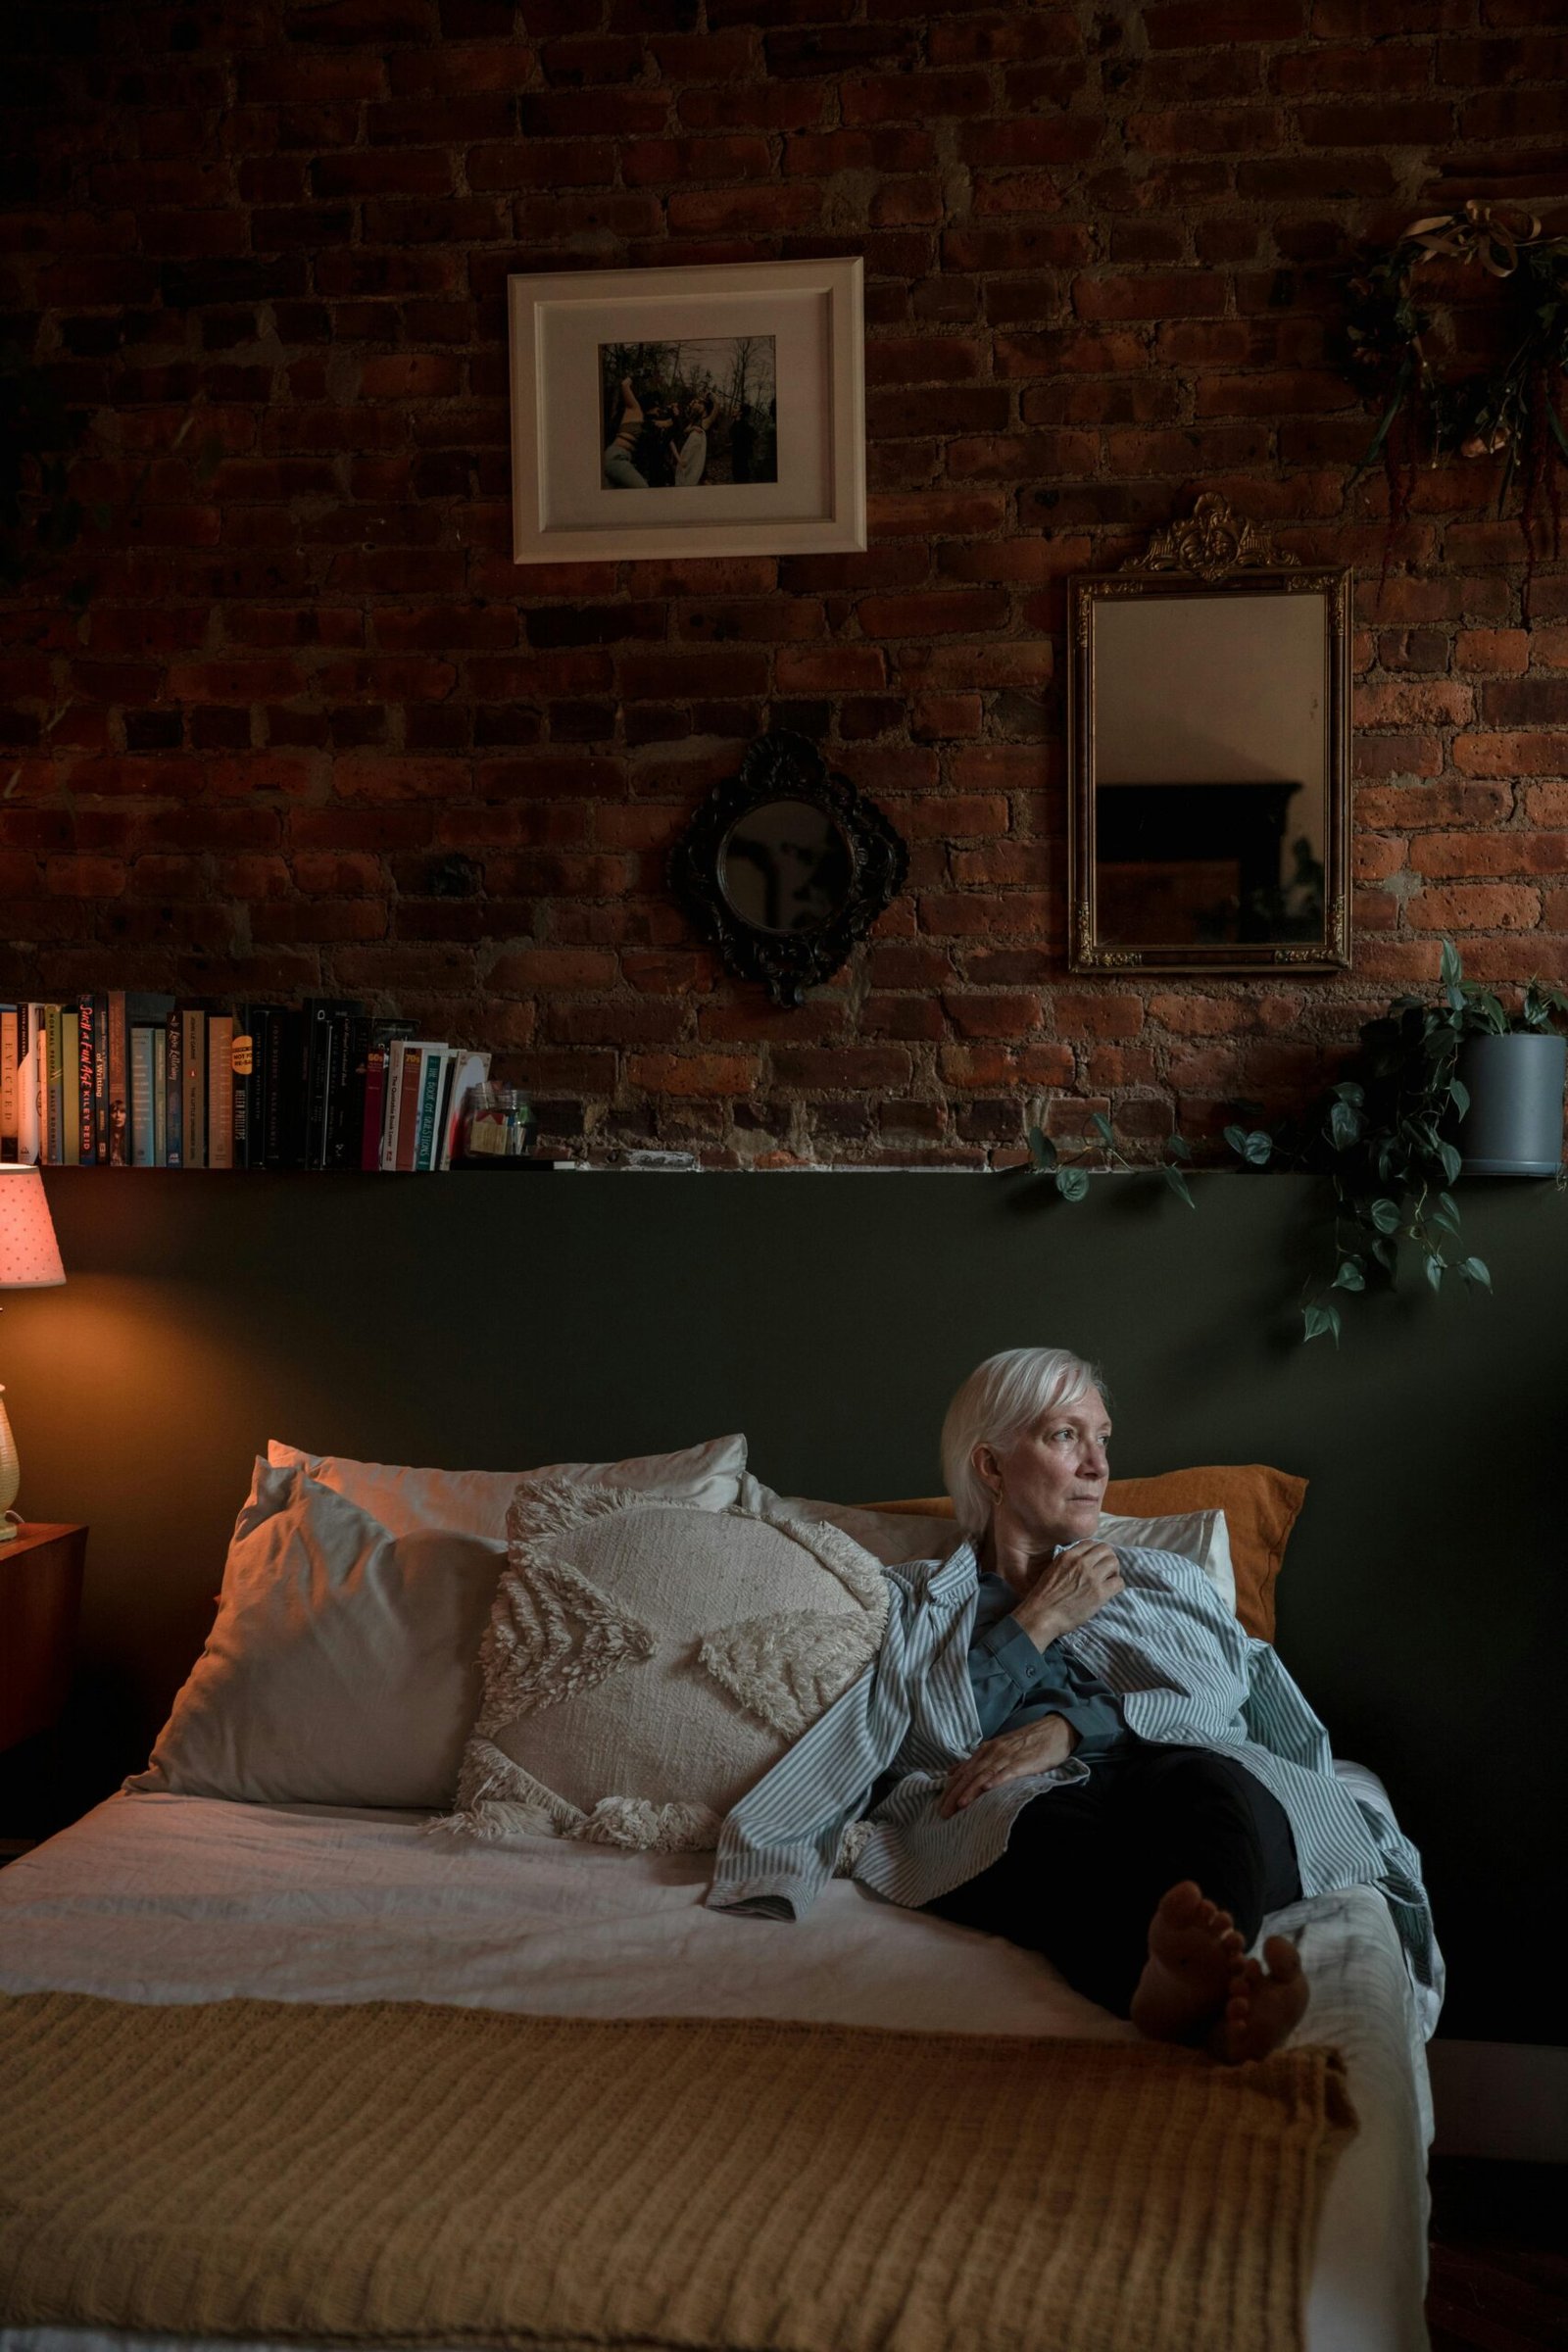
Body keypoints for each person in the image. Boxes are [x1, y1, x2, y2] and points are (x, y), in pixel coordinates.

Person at [710, 1345, 1436, 2067]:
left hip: (1167, 1764)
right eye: (1065, 1436)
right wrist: (1038, 1623)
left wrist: (1070, 1727)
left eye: (1102, 1440)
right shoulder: (919, 1602)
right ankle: (1177, 1992)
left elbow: (1217, 1693)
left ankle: (1194, 1980)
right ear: (991, 1466)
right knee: (1033, 1829)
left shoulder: (1159, 1578)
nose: (1097, 1464)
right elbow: (927, 1738)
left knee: (1214, 1791)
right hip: (1026, 1799)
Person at [674, 391, 720, 487]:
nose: (697, 404)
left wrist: (710, 394)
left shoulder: (707, 420)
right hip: (690, 453)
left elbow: (717, 405)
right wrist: (693, 428)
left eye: (700, 403)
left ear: (704, 407)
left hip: (699, 454)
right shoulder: (696, 419)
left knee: (700, 478)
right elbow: (685, 430)